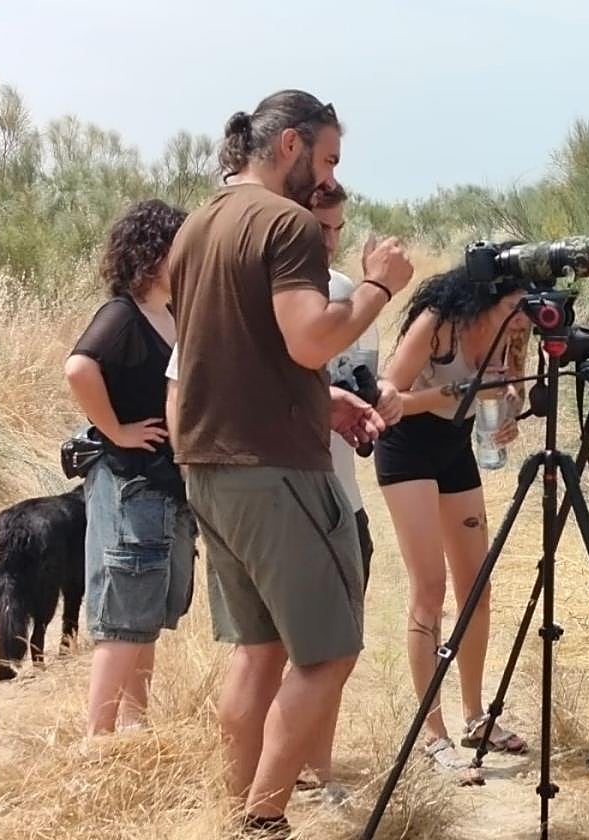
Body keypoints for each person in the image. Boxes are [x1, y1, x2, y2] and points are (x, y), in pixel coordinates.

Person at [166, 90, 412, 839]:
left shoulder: (196, 228)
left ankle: (237, 808)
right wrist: (378, 286)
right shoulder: (286, 223)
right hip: (275, 474)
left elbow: (240, 353)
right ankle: (264, 818)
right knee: (328, 653)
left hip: (208, 464)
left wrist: (319, 399)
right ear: (290, 145)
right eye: (328, 157)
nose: (328, 174)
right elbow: (309, 338)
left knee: (258, 651)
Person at [374, 255, 532, 785]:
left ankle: (474, 715)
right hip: (407, 448)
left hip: (456, 446)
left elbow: (513, 392)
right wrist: (451, 395)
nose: (525, 317)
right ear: (489, 296)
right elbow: (386, 398)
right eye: (516, 305)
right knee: (430, 589)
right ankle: (431, 733)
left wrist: (507, 414)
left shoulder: (514, 335)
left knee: (476, 588)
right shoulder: (439, 323)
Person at [63, 198, 195, 737]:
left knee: (143, 618)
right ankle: (98, 741)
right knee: (122, 618)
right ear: (153, 253)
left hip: (160, 484)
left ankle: (136, 730)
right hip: (128, 482)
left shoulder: (171, 312)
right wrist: (116, 430)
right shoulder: (122, 314)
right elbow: (78, 368)